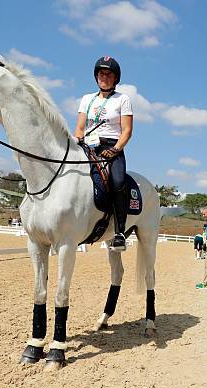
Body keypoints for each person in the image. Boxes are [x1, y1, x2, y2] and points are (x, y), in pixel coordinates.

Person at [74, 56, 134, 251]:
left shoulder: (122, 99)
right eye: (101, 73)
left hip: (112, 148)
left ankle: (119, 232)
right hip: (87, 146)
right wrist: (76, 142)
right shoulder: (86, 99)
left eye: (108, 74)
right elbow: (80, 128)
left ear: (115, 78)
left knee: (117, 182)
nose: (104, 77)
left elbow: (126, 131)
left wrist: (116, 149)